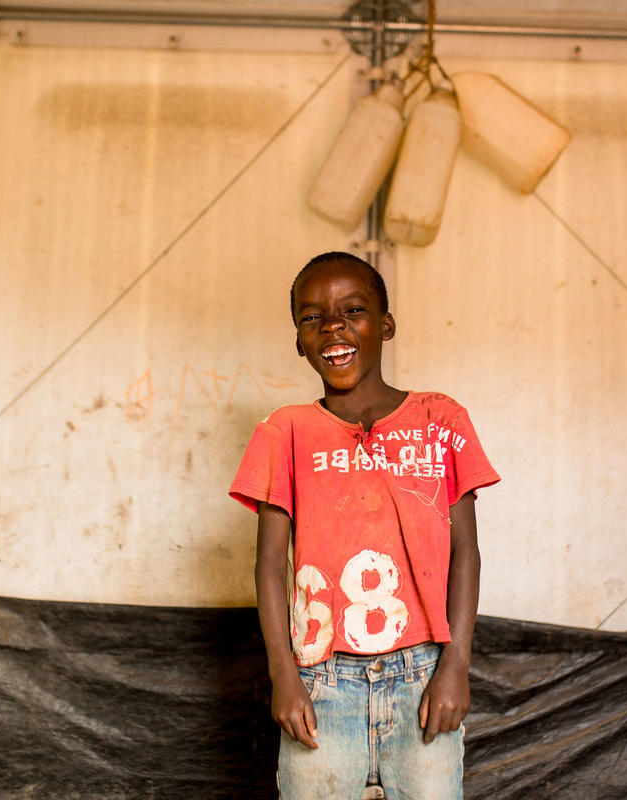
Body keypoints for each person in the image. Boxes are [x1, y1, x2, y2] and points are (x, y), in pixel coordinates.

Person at [229, 251, 499, 799]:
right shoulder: (286, 432)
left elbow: (465, 552)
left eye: (353, 309)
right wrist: (284, 676)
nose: (332, 326)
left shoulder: (440, 419)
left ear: (386, 324)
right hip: (321, 679)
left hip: (423, 677)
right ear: (299, 339)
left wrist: (456, 666)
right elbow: (270, 567)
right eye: (312, 317)